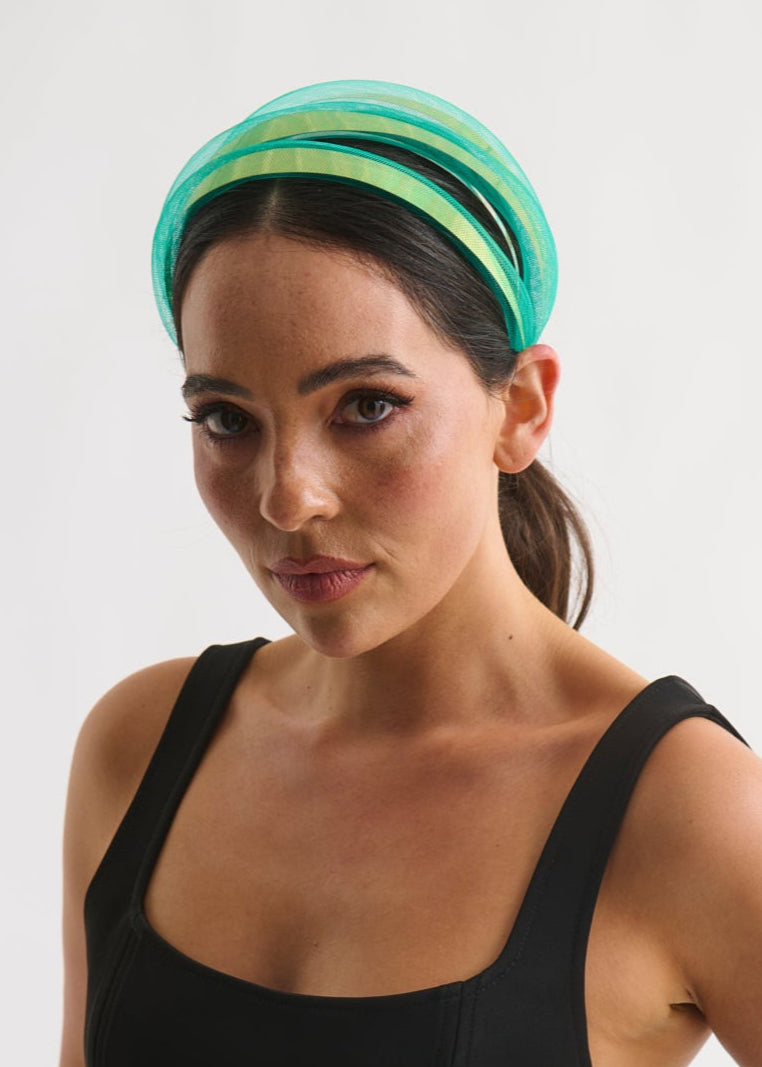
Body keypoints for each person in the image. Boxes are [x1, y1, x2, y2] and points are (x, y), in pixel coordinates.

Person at [59, 80, 762, 1067]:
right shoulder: (138, 748)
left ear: (520, 405)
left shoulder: (689, 810)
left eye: (365, 406)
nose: (286, 497)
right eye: (226, 417)